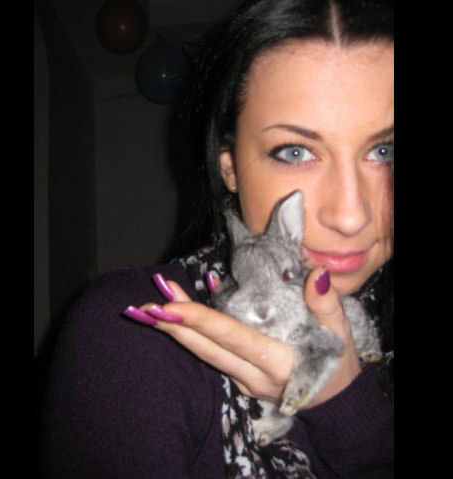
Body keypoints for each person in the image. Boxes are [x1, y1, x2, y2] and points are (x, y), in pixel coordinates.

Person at [38, 0, 394, 478]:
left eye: (385, 150)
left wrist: (352, 409)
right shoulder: (133, 337)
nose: (351, 216)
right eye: (294, 151)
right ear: (230, 168)